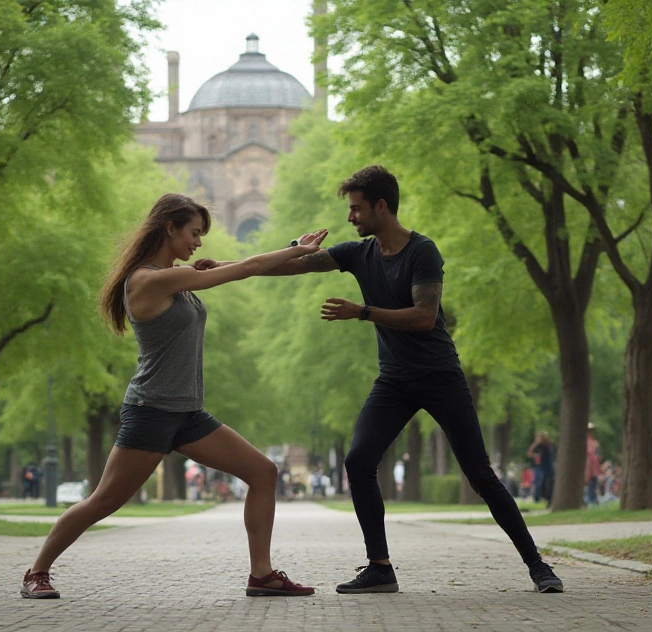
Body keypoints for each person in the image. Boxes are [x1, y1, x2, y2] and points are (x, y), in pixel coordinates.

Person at [239, 166, 562, 594]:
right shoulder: (359, 253)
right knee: (358, 461)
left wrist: (363, 312)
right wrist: (223, 269)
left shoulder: (422, 252)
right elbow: (295, 267)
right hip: (394, 381)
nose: (350, 217)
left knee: (481, 475)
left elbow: (425, 317)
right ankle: (380, 567)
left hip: (440, 377)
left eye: (356, 209)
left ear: (381, 206)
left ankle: (538, 566)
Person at [20, 193, 325, 600]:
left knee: (263, 472)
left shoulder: (174, 276)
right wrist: (293, 249)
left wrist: (295, 259)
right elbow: (247, 268)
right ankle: (36, 572)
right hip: (152, 411)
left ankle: (262, 574)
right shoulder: (148, 280)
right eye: (194, 233)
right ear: (169, 228)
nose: (198, 242)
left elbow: (247, 270)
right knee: (103, 501)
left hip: (188, 414)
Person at [526, 431, 555, 507]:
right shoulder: (538, 446)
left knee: (548, 483)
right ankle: (537, 499)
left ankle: (548, 499)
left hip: (547, 466)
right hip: (540, 466)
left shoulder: (548, 445)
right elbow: (529, 452)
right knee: (538, 483)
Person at [585, 424, 601, 507]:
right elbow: (598, 457)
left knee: (591, 489)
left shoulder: (590, 443)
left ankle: (593, 504)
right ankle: (592, 503)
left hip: (590, 469)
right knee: (591, 489)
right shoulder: (593, 443)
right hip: (592, 469)